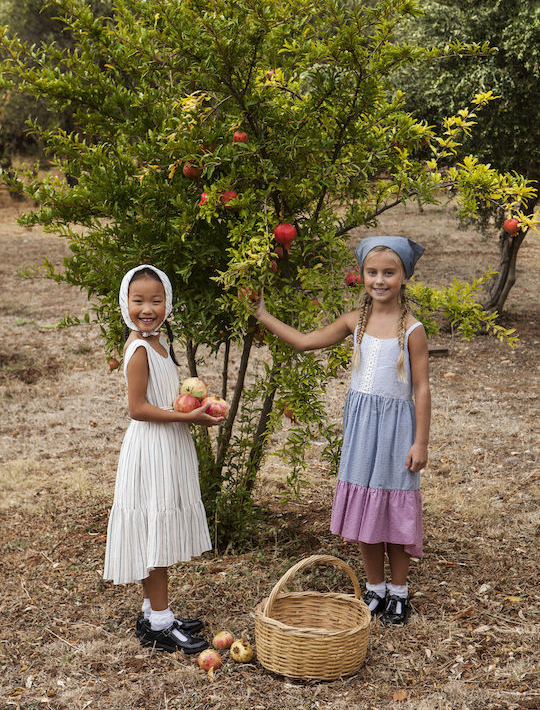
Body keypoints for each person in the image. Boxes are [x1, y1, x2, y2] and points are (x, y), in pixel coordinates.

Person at [255, 236, 430, 625]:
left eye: (389, 272)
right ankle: (375, 588)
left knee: (394, 509)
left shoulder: (412, 330)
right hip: (363, 430)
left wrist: (421, 441)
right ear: (363, 276)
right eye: (372, 272)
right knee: (367, 509)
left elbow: (421, 388)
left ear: (404, 277)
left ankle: (399, 593)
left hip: (398, 431)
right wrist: (262, 314)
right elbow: (303, 342)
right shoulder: (356, 321)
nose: (379, 280)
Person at [103, 265, 224, 652]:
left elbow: (164, 396)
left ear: (167, 303)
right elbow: (137, 408)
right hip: (151, 446)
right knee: (155, 530)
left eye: (156, 300)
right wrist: (186, 416)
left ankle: (154, 613)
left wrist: (196, 406)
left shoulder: (159, 343)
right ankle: (159, 623)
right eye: (138, 301)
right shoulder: (138, 348)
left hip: (167, 443)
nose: (147, 308)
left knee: (159, 527)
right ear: (125, 304)